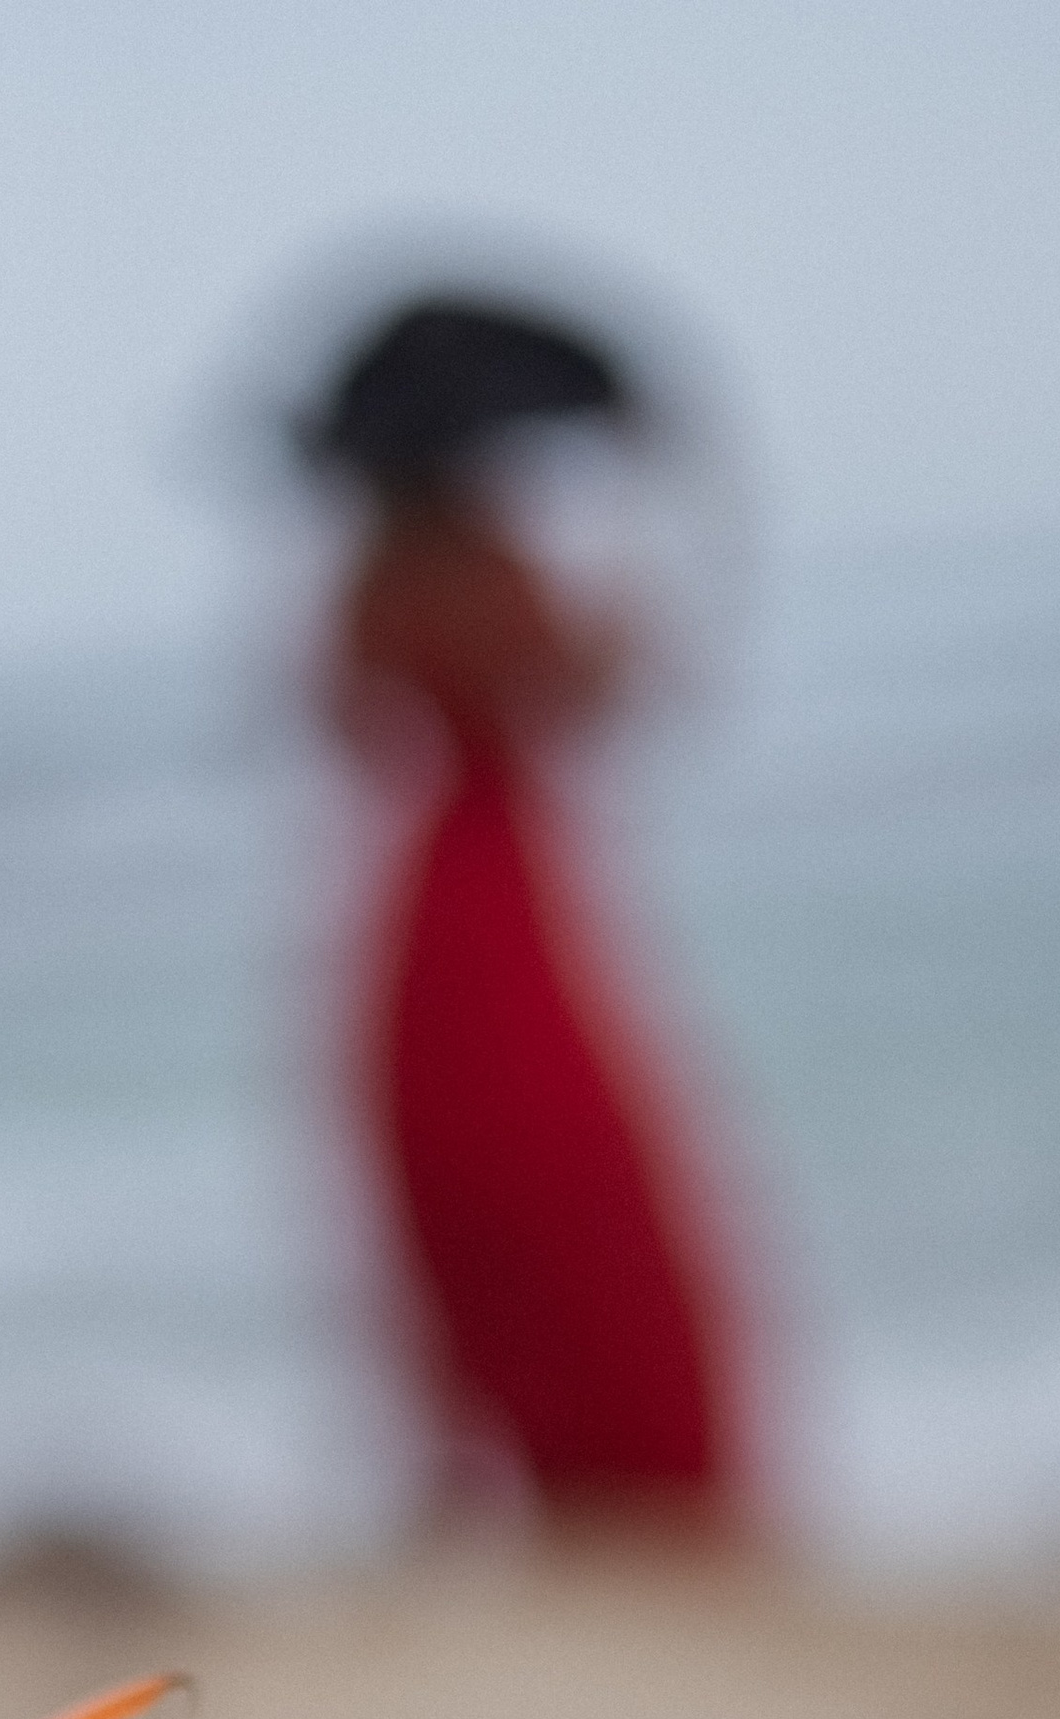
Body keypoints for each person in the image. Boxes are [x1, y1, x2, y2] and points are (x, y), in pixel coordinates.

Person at [304, 293, 743, 1524]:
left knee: (469, 1201)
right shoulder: (492, 564)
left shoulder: (366, 577)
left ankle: (479, 1473)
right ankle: (637, 1483)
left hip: (419, 892)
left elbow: (334, 725)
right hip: (511, 881)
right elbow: (604, 696)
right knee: (574, 1192)